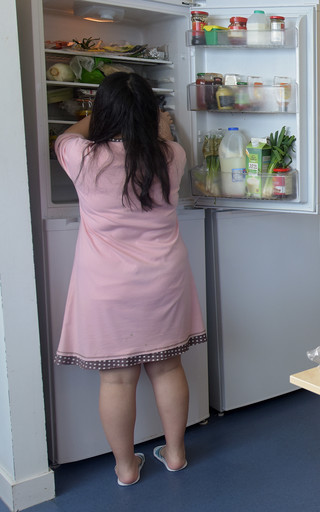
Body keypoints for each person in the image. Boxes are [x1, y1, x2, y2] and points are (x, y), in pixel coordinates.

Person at [53, 72, 205, 486]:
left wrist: (95, 115)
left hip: (107, 285)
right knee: (169, 367)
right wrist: (156, 120)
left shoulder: (81, 155)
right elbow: (164, 135)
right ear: (150, 114)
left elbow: (65, 134)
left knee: (117, 378)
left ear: (105, 113)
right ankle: (175, 455)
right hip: (164, 279)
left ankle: (125, 468)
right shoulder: (171, 155)